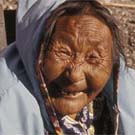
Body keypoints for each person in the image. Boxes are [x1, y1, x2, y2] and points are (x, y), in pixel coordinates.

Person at [0, 0, 135, 135]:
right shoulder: (6, 107)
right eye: (64, 53)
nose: (75, 75)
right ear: (36, 50)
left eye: (93, 58)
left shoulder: (127, 91)